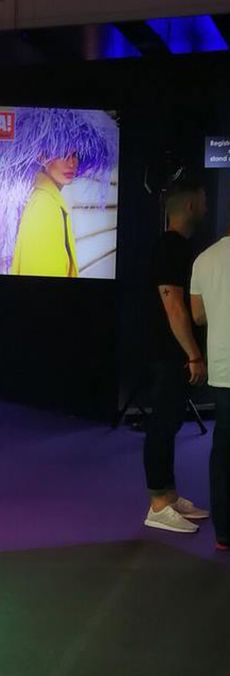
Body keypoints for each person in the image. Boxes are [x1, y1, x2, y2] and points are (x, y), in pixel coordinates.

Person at [143, 175, 209, 533]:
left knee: (169, 424)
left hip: (174, 353)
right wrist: (193, 354)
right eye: (203, 200)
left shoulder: (179, 247)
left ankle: (169, 495)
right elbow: (174, 306)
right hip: (169, 353)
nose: (207, 207)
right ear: (190, 205)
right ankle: (157, 504)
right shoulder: (170, 248)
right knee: (161, 425)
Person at [0, 108, 117, 276]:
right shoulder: (45, 207)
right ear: (42, 157)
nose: (72, 163)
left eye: (75, 154)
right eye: (62, 153)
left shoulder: (47, 199)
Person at [190, 205, 230, 550]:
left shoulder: (204, 260)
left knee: (224, 450)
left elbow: (198, 316)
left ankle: (224, 532)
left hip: (222, 367)